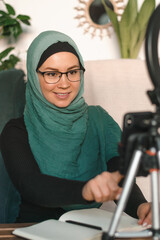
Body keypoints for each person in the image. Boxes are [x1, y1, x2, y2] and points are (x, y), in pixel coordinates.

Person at [0, 30, 151, 226]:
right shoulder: (15, 131)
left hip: (88, 228)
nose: (64, 83)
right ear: (34, 75)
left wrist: (141, 207)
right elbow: (31, 185)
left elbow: (120, 175)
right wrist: (86, 190)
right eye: (52, 74)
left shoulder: (99, 120)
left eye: (72, 72)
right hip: (32, 229)